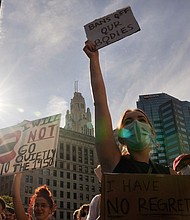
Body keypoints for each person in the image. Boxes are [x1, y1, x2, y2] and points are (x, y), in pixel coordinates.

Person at [83, 40, 177, 175]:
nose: (136, 124)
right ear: (121, 137)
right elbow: (100, 103)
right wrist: (94, 59)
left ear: (152, 132)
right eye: (128, 122)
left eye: (141, 120)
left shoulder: (170, 175)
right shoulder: (114, 163)